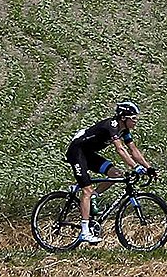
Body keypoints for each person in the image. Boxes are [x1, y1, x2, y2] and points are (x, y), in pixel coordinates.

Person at [65, 101, 157, 245]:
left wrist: (148, 167)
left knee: (116, 175)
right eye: (133, 118)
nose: (135, 121)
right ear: (123, 118)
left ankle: (94, 197)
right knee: (86, 191)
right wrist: (134, 167)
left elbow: (134, 150)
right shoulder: (112, 126)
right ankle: (84, 232)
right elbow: (120, 150)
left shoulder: (124, 130)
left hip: (88, 154)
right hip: (76, 152)